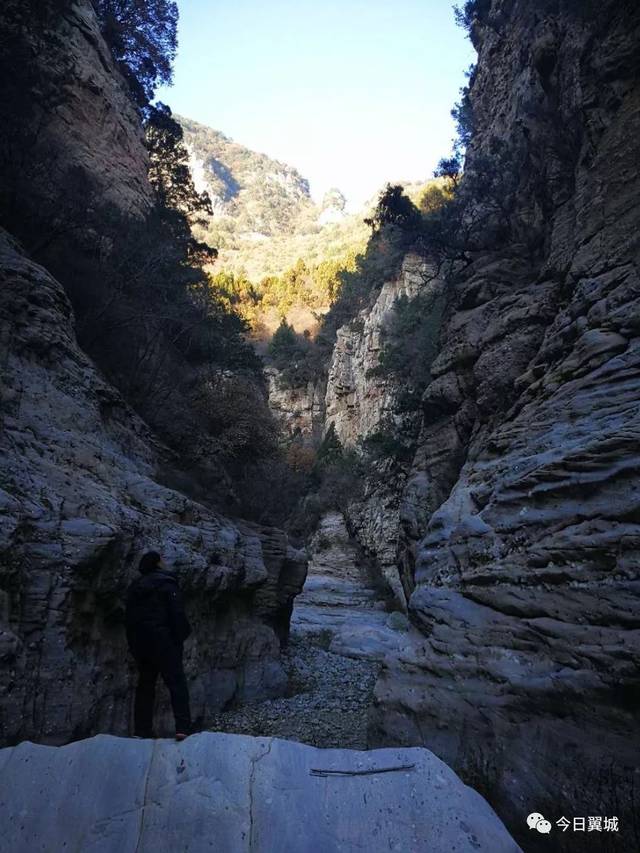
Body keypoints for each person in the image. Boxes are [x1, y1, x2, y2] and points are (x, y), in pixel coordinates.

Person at [125, 551, 192, 740]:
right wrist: (179, 637)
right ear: (158, 563)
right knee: (176, 683)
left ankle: (141, 730)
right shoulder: (167, 584)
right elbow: (177, 614)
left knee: (145, 685)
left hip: (141, 643)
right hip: (165, 641)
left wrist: (133, 645)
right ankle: (182, 728)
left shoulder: (135, 587)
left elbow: (128, 619)